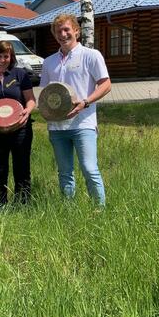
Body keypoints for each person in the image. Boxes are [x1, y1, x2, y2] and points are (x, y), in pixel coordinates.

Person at [40, 13, 111, 205]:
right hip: (57, 127)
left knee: (89, 168)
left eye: (66, 30)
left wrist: (85, 102)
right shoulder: (48, 62)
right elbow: (45, 93)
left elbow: (106, 84)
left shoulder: (91, 55)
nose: (62, 34)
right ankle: (68, 211)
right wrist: (46, 112)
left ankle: (99, 210)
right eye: (58, 31)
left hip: (83, 123)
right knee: (64, 173)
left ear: (77, 31)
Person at [0, 40, 36, 205]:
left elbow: (31, 99)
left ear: (11, 58)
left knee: (22, 167)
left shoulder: (20, 74)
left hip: (21, 129)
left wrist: (28, 110)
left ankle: (23, 203)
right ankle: (0, 204)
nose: (2, 59)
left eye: (6, 56)